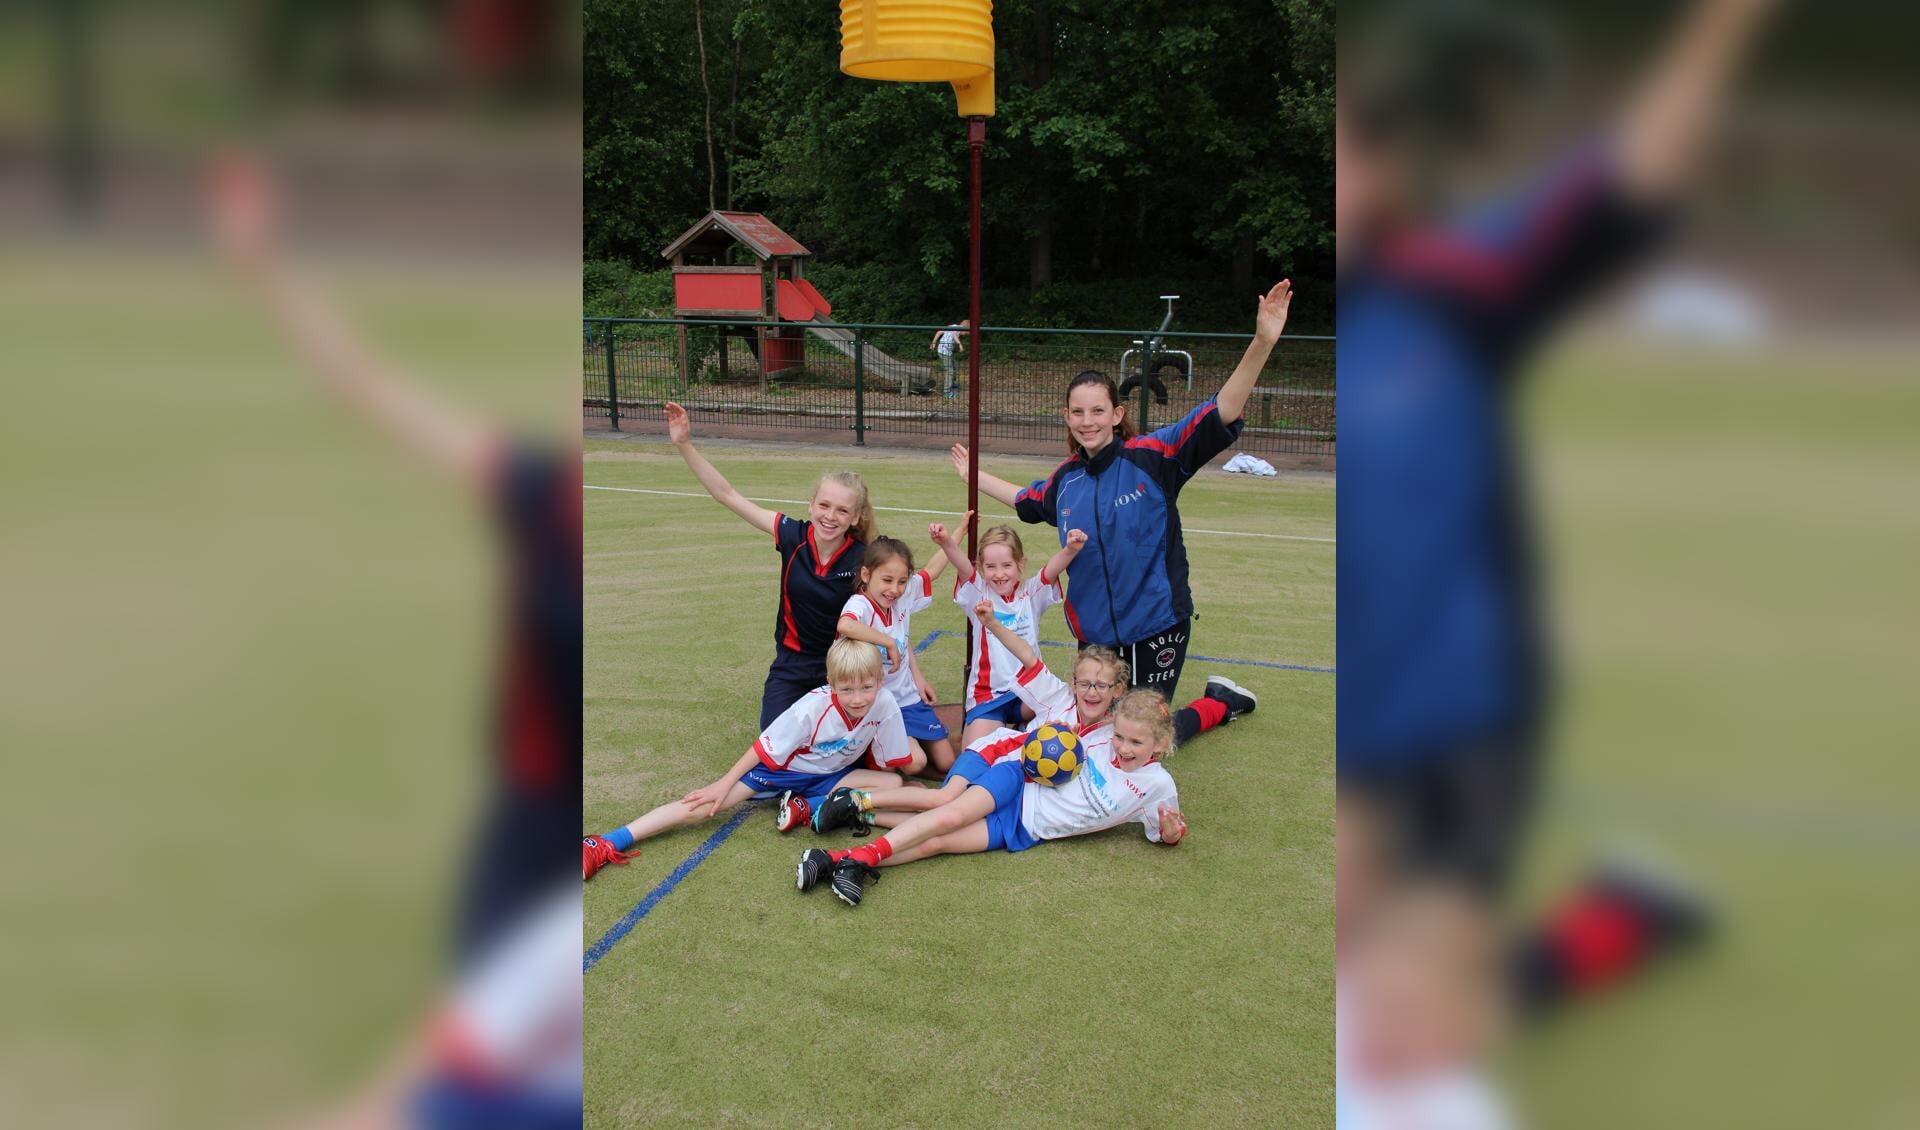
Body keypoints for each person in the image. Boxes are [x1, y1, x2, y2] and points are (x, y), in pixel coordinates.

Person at [950, 282, 1292, 744]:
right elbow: (1026, 502)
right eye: (1077, 412)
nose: (1087, 420)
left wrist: (1262, 342)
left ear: (1117, 413)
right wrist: (974, 475)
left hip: (1157, 622)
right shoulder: (1065, 481)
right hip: (1095, 638)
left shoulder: (1154, 457)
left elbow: (1222, 412)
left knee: (1143, 737)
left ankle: (1221, 701)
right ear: (1066, 417)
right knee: (1099, 736)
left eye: (1097, 410)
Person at [794, 685, 1186, 907]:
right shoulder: (1100, 736)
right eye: (1120, 736)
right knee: (947, 815)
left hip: (1026, 827)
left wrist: (1170, 834)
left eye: (1136, 741)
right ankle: (862, 855)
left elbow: (1163, 832)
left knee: (939, 843)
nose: (1123, 747)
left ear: (1161, 743)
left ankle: (830, 860)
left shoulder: (1158, 786)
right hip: (1017, 781)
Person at [582, 639, 910, 878]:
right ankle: (606, 841)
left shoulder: (884, 703)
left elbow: (893, 760)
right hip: (784, 771)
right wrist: (721, 785)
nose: (858, 698)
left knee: (892, 783)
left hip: (831, 774)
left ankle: (808, 806)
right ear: (830, 684)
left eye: (866, 687)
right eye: (847, 689)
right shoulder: (811, 708)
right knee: (705, 808)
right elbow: (761, 748)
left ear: (880, 683)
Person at [809, 599, 1132, 833]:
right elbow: (1026, 654)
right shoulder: (1058, 695)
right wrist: (992, 624)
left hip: (1019, 787)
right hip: (994, 757)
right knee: (946, 804)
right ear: (1073, 682)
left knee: (952, 821)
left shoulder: (1111, 735)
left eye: (1101, 685)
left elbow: (1126, 763)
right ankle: (853, 802)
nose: (1092, 691)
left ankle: (857, 811)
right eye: (1085, 683)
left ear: (1117, 690)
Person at [662, 401, 874, 729]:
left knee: (834, 747)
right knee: (775, 742)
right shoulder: (792, 534)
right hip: (791, 665)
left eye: (843, 511)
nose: (831, 516)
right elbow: (728, 494)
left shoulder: (863, 557)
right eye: (824, 505)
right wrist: (684, 444)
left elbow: (898, 602)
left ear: (856, 517)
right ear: (811, 504)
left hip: (842, 668)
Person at [932, 520, 1084, 749]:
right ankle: (1002, 727)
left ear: (1020, 564)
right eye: (991, 567)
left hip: (1027, 694)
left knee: (1060, 717)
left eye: (1007, 565)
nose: (999, 574)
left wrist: (1071, 548)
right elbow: (963, 566)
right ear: (982, 567)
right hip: (988, 696)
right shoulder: (978, 591)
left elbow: (1052, 569)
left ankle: (1021, 727)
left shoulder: (1031, 593)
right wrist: (945, 542)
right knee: (974, 755)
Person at [822, 533, 951, 788]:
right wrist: (886, 641)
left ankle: (896, 750)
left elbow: (932, 571)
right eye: (887, 580)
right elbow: (845, 624)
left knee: (946, 762)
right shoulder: (861, 604)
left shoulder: (901, 596)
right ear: (867, 575)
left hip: (908, 698)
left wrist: (957, 533)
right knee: (916, 763)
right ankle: (871, 752)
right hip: (879, 704)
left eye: (902, 581)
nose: (895, 589)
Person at [929, 318, 968, 398]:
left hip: (945, 351)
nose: (966, 334)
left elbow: (939, 332)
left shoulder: (951, 326)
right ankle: (947, 391)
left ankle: (952, 383)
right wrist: (960, 344)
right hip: (945, 352)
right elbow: (954, 335)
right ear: (964, 328)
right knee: (949, 370)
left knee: (954, 366)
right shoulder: (957, 329)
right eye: (966, 333)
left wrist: (933, 342)